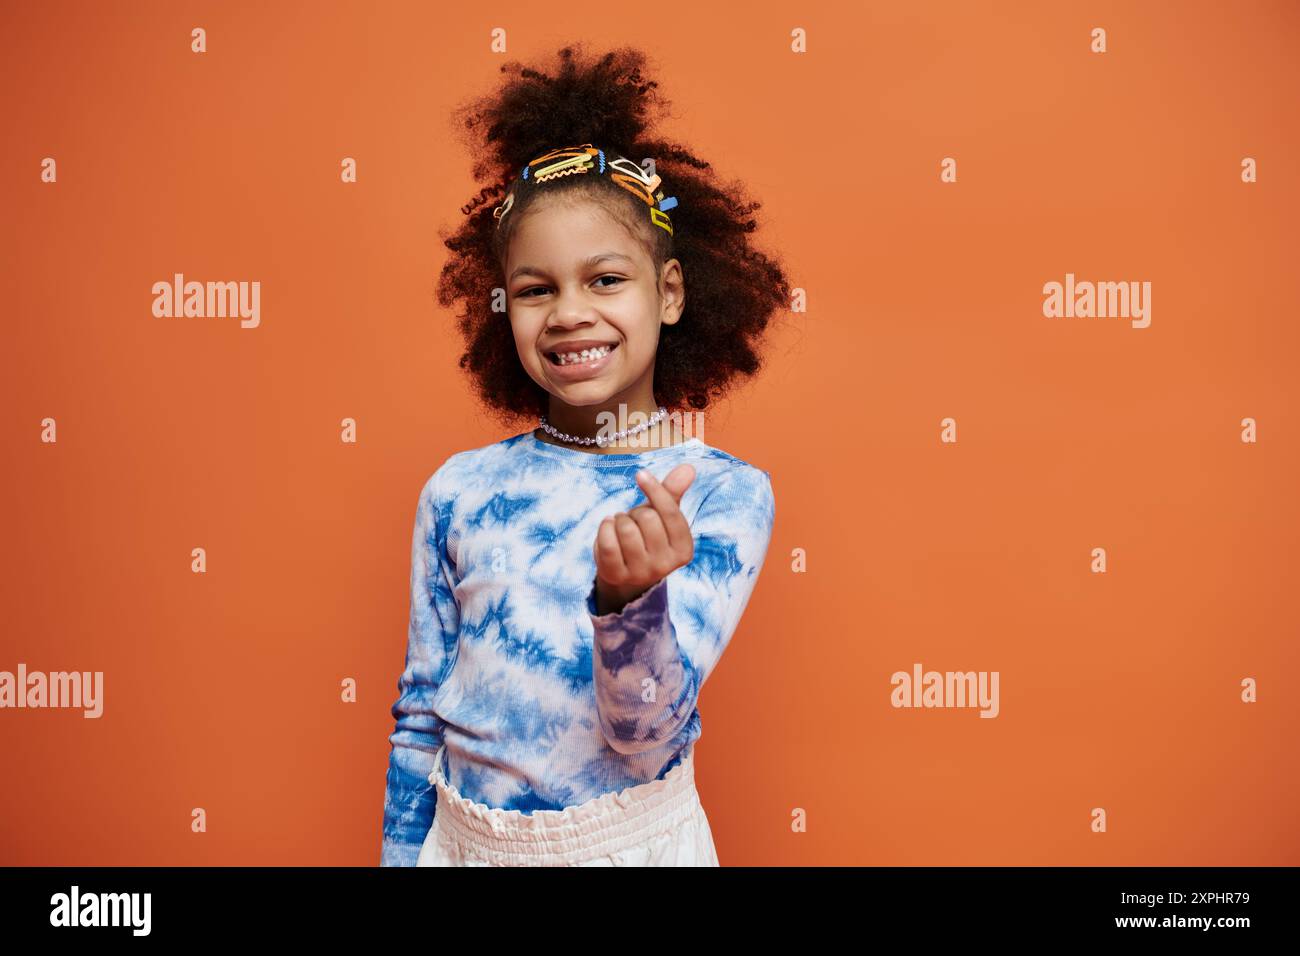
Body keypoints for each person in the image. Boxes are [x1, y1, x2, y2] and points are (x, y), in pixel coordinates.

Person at [380, 43, 790, 866]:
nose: (570, 313)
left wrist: (627, 607)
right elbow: (421, 714)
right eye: (537, 289)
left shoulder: (718, 496)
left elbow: (643, 736)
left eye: (606, 279)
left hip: (629, 846)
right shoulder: (459, 490)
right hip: (463, 848)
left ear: (668, 293)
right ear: (504, 307)